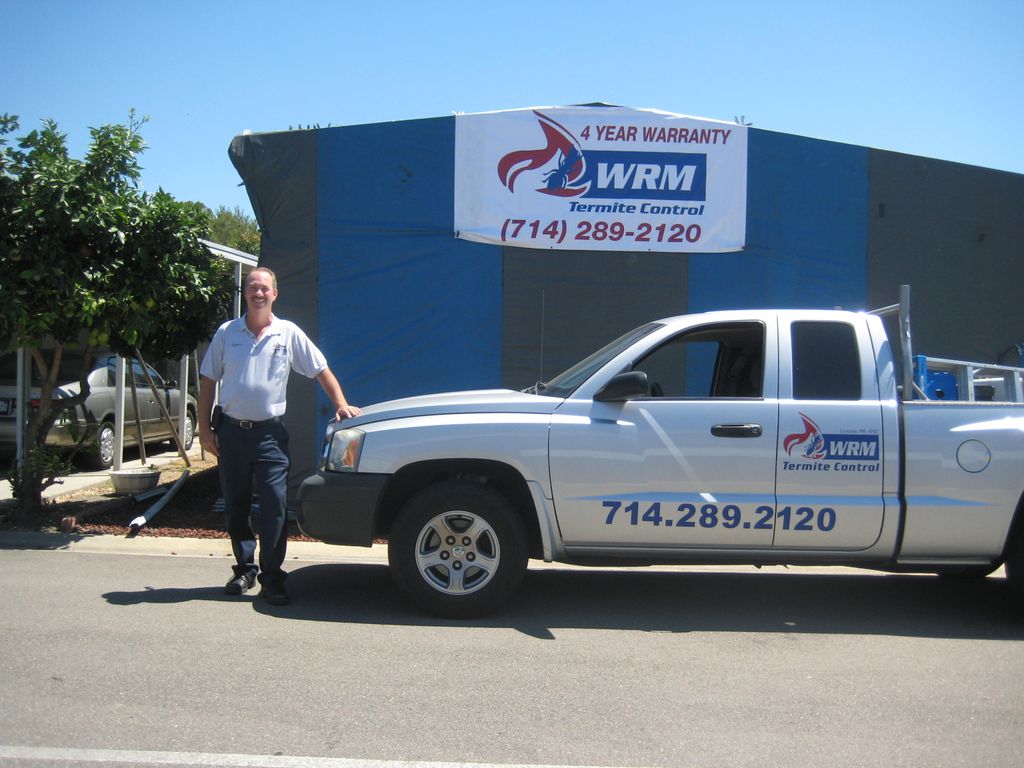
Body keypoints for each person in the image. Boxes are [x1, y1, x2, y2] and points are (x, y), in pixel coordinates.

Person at [198, 267, 361, 605]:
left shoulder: (287, 333)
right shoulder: (227, 333)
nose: (258, 293)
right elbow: (208, 382)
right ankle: (244, 569)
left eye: (264, 288)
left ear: (275, 294)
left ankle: (272, 578)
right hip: (230, 432)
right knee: (236, 504)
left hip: (270, 435)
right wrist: (204, 430)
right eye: (252, 287)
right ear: (245, 293)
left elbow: (320, 369)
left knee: (274, 505)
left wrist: (341, 405)